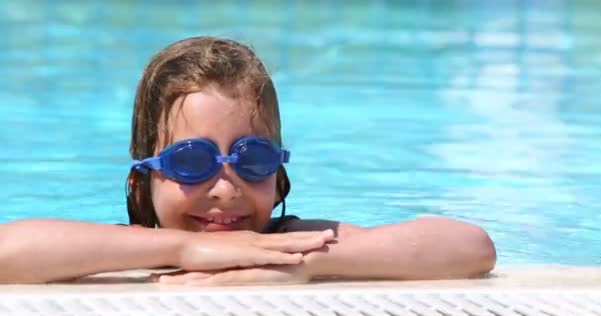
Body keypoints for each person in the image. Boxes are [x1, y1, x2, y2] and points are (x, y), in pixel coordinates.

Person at [0, 36, 496, 285]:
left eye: (252, 159)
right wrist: (184, 250)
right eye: (191, 162)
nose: (225, 188)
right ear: (141, 183)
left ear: (278, 179)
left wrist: (297, 266)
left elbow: (470, 247)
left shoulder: (287, 242)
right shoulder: (128, 247)